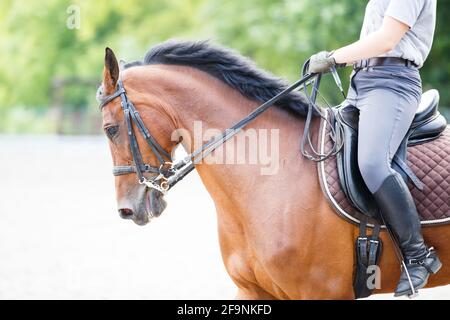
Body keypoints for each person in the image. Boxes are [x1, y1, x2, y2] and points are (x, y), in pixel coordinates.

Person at [308, 0, 441, 297]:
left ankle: (418, 255)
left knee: (372, 164)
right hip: (362, 83)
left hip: (392, 84)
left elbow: (387, 39)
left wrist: (333, 57)